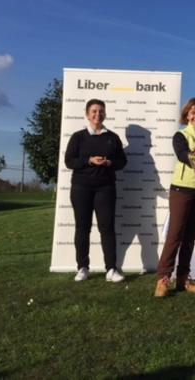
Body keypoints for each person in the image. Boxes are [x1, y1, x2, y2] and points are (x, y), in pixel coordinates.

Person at [154, 98, 195, 298]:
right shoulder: (180, 135)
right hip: (182, 189)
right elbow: (184, 156)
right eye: (193, 113)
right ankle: (163, 279)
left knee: (190, 238)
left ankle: (183, 277)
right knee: (175, 236)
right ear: (187, 115)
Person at [65, 98, 127, 283]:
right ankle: (82, 267)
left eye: (101, 111)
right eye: (94, 111)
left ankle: (111, 269)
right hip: (81, 187)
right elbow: (69, 161)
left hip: (105, 188)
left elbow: (122, 162)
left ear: (105, 114)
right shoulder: (78, 137)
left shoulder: (112, 138)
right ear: (87, 114)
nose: (97, 114)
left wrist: (109, 163)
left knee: (107, 229)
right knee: (82, 229)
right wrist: (88, 161)